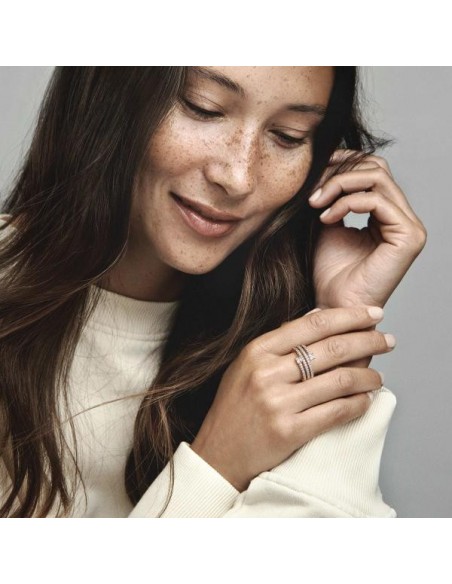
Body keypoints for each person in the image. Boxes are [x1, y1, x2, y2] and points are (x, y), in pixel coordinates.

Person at [0, 66, 426, 518]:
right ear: (111, 93)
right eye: (204, 108)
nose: (238, 177)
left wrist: (336, 322)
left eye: (287, 136)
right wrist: (215, 467)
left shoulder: (277, 350)